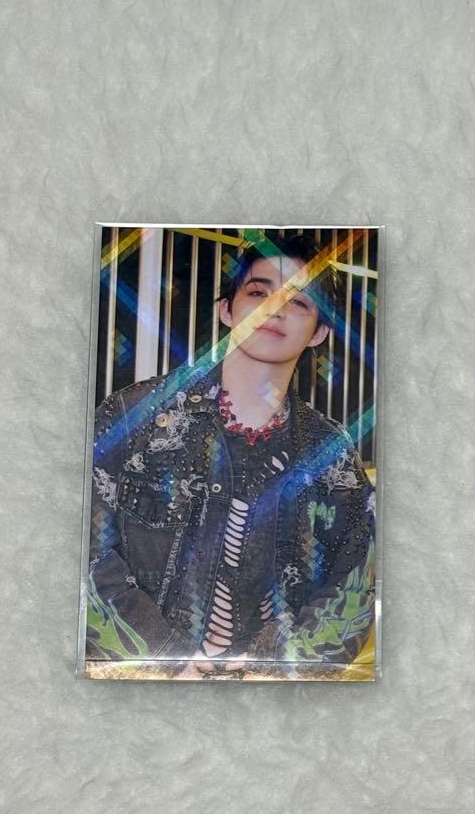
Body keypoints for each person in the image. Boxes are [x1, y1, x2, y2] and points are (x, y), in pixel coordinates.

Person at [83, 233, 376, 679]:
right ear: (226, 310)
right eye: (258, 292)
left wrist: (280, 666)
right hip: (143, 686)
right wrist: (164, 657)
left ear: (319, 332)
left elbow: (356, 580)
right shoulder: (133, 416)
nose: (274, 308)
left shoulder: (329, 452)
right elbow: (80, 551)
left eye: (299, 302)